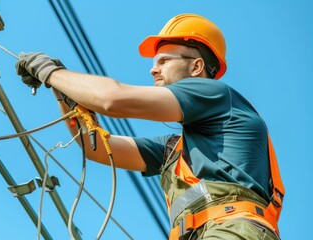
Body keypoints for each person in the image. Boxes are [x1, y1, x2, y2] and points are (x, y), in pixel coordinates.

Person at [15, 13, 284, 240]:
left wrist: (51, 73)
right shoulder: (173, 149)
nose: (153, 70)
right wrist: (65, 94)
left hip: (232, 229)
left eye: (164, 61)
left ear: (196, 67)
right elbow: (93, 148)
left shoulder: (214, 95)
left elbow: (112, 100)